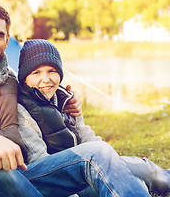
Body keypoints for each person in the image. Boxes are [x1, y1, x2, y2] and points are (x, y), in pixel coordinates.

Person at [0, 2, 151, 196]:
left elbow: (40, 94)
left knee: (98, 152)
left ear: (7, 38)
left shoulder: (10, 78)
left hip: (21, 174)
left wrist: (65, 101)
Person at [17, 38, 170, 196]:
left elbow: (85, 135)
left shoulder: (64, 99)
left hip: (88, 164)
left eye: (52, 71)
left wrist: (112, 163)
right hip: (66, 180)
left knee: (144, 170)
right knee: (135, 183)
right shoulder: (22, 110)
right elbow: (41, 163)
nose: (46, 79)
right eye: (36, 72)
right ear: (24, 78)